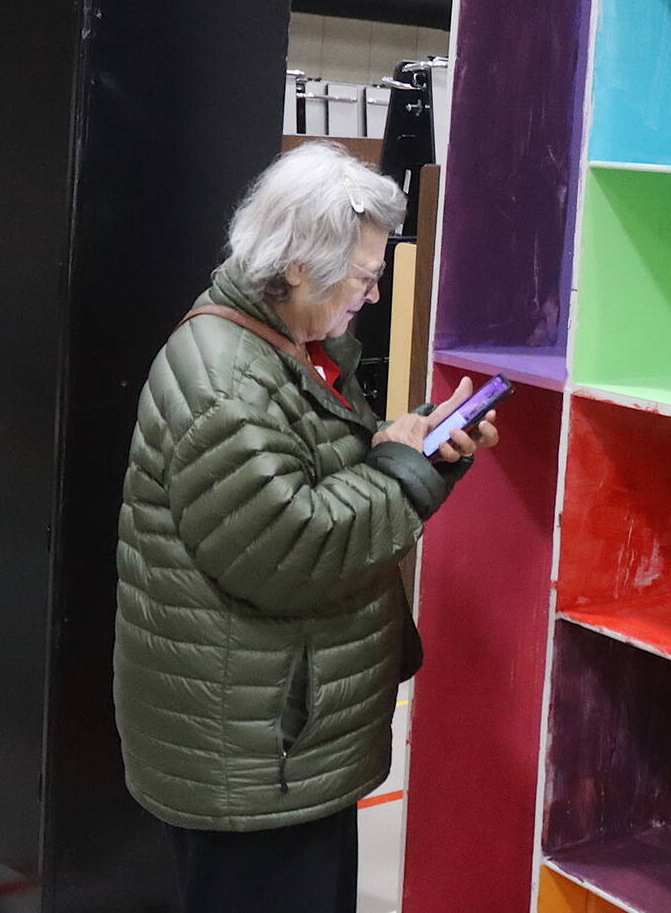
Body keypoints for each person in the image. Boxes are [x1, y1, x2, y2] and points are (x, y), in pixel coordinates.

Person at [113, 141, 497, 913]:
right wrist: (406, 471)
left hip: (282, 745)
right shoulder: (227, 383)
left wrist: (413, 450)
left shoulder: (292, 349)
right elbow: (294, 549)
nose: (374, 292)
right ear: (296, 266)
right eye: (363, 275)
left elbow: (324, 481)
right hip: (251, 761)